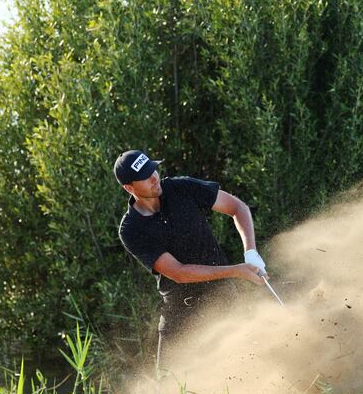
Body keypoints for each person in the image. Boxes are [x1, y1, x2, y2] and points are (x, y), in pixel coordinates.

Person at [115, 149, 269, 378]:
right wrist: (236, 270)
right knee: (169, 389)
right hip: (180, 309)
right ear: (129, 187)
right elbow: (179, 273)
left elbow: (238, 208)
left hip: (222, 297)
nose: (154, 177)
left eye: (153, 170)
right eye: (145, 177)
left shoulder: (181, 188)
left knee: (248, 371)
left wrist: (251, 251)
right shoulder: (132, 229)